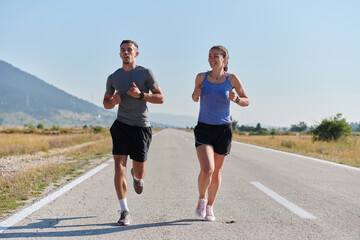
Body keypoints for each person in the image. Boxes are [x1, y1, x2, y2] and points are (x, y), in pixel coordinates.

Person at [103, 40, 164, 226]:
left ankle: (137, 178)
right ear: (119, 54)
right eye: (123, 50)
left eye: (129, 50)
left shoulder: (145, 73)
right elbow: (105, 103)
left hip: (141, 127)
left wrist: (141, 95)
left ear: (136, 54)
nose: (126, 52)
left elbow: (160, 98)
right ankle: (124, 211)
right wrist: (112, 101)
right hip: (121, 125)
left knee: (139, 171)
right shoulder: (113, 77)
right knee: (118, 168)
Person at [191, 45, 249, 221]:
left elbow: (246, 100)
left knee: (216, 172)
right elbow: (194, 97)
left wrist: (236, 99)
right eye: (209, 56)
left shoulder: (232, 79)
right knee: (207, 169)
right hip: (204, 127)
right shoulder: (201, 77)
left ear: (225, 59)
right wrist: (196, 93)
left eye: (216, 56)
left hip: (223, 130)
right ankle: (202, 199)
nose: (212, 59)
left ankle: (210, 207)